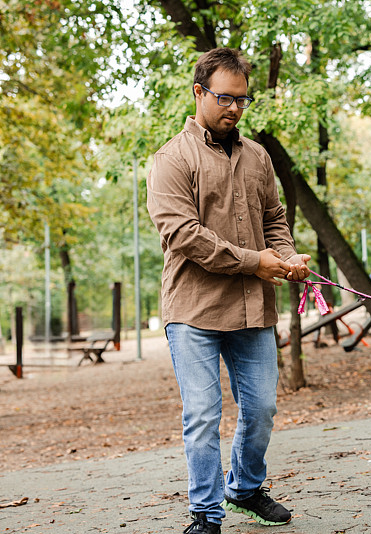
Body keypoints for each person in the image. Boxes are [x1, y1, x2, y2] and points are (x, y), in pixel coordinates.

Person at [146, 47, 311, 533]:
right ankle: (205, 514)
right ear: (199, 92)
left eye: (242, 99)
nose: (235, 108)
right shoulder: (171, 160)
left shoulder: (258, 156)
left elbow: (274, 218)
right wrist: (255, 262)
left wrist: (287, 258)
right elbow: (184, 234)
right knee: (202, 415)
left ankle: (244, 488)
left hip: (253, 310)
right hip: (193, 311)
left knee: (261, 409)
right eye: (225, 98)